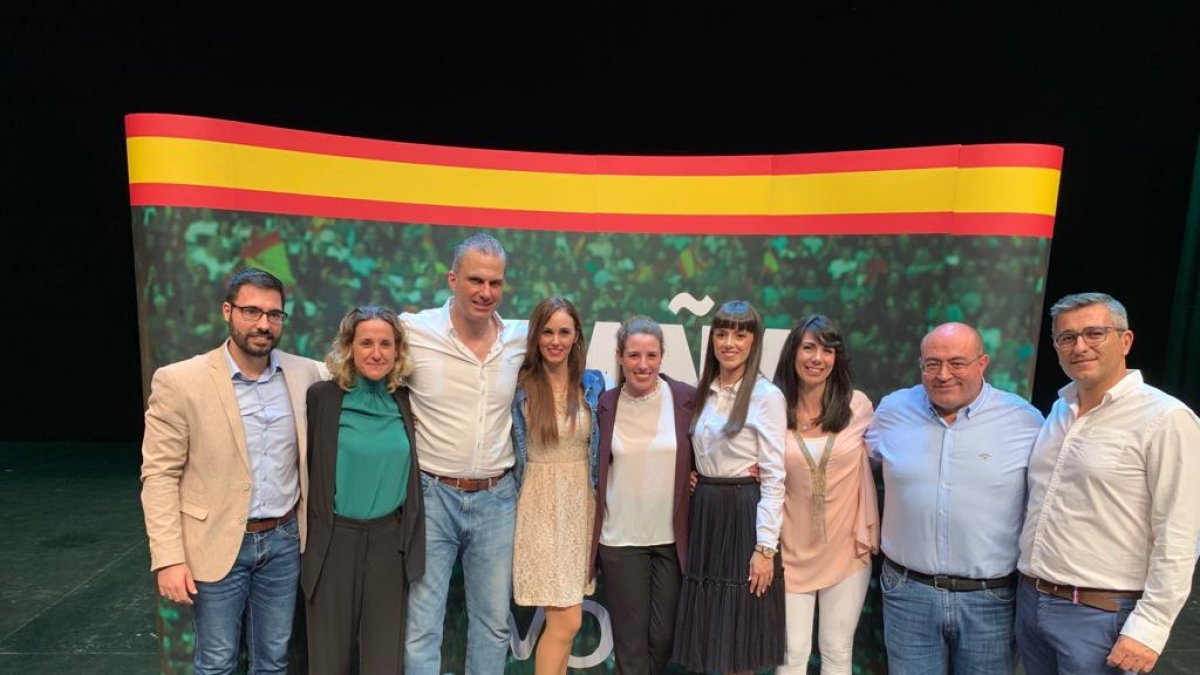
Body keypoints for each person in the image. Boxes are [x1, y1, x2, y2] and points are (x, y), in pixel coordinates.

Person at [140, 268, 326, 674]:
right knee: (216, 663)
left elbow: (365, 372)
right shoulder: (180, 381)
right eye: (251, 311)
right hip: (215, 541)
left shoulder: (306, 374)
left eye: (274, 314)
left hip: (283, 541)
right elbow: (159, 476)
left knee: (273, 661)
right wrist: (168, 559)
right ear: (227, 311)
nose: (263, 324)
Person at [1016, 293, 1200, 674]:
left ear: (1125, 340)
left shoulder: (1166, 418)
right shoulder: (1059, 411)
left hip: (1101, 616)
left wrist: (1151, 626)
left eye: (1094, 333)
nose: (1080, 346)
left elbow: (1180, 534)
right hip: (1032, 602)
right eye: (1067, 337)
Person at [865, 322, 1043, 675]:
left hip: (990, 600)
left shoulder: (1024, 421)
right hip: (908, 594)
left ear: (982, 363)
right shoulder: (892, 411)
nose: (943, 374)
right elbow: (851, 466)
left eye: (957, 363)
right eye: (932, 364)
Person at [402, 233, 527, 675]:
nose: (485, 292)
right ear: (452, 280)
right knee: (421, 626)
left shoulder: (520, 338)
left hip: (498, 498)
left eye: (495, 282)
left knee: (493, 625)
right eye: (475, 280)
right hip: (431, 495)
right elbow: (356, 360)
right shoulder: (412, 331)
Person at [302, 306, 425, 673]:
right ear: (348, 347)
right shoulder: (322, 398)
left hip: (390, 542)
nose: (376, 353)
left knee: (384, 661)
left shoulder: (406, 399)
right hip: (334, 541)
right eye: (366, 343)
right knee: (328, 661)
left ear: (397, 350)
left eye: (386, 344)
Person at [672, 300, 787, 674]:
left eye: (740, 335)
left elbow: (774, 477)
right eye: (721, 334)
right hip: (706, 513)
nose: (729, 343)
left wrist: (765, 548)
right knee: (712, 641)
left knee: (739, 642)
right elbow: (699, 450)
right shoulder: (704, 391)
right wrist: (694, 474)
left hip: (742, 515)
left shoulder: (766, 396)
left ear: (755, 341)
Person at [772, 315, 879, 675]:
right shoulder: (772, 409)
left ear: (837, 357)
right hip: (789, 551)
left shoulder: (858, 407)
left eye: (827, 350)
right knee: (792, 654)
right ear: (793, 352)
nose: (817, 358)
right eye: (808, 348)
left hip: (846, 549)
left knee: (837, 651)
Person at [590, 316, 696, 675]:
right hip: (621, 541)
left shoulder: (685, 399)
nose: (643, 364)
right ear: (620, 356)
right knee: (631, 648)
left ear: (662, 356)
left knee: (664, 640)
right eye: (634, 355)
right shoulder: (604, 405)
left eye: (651, 355)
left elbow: (707, 450)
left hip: (669, 541)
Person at [510, 297, 605, 675]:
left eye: (564, 332)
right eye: (547, 332)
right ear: (536, 336)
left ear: (577, 335)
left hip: (580, 508)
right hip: (539, 507)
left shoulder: (593, 384)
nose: (555, 340)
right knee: (567, 622)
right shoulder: (519, 386)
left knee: (566, 623)